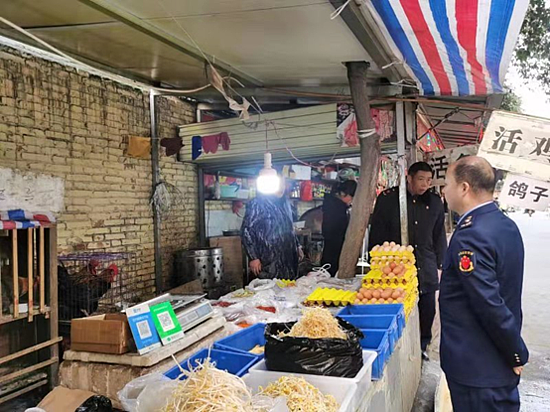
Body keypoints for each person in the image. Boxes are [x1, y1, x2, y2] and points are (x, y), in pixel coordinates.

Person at [440, 156, 528, 412]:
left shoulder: (472, 235)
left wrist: (515, 352)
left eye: (446, 183)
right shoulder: (503, 224)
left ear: (463, 188)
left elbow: (489, 303)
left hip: (478, 368)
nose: (444, 190)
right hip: (492, 364)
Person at [369, 162, 447, 359]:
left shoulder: (435, 202)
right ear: (409, 178)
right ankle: (399, 346)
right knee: (398, 306)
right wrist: (376, 261)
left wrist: (441, 262)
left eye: (428, 180)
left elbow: (439, 235)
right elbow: (377, 232)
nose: (425, 184)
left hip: (425, 263)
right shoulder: (388, 199)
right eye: (420, 179)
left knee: (427, 308)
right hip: (395, 266)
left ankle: (422, 345)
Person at [241, 181, 301, 280]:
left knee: (288, 285)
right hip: (267, 258)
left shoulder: (286, 203)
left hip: (288, 258)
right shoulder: (258, 203)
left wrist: (297, 245)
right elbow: (246, 230)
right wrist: (253, 257)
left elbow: (289, 227)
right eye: (278, 184)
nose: (281, 187)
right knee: (269, 286)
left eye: (283, 184)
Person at [321, 180, 358, 276]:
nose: (352, 200)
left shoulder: (337, 205)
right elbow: (333, 229)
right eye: (351, 197)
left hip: (334, 247)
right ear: (343, 194)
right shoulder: (335, 207)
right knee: (330, 273)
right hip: (334, 248)